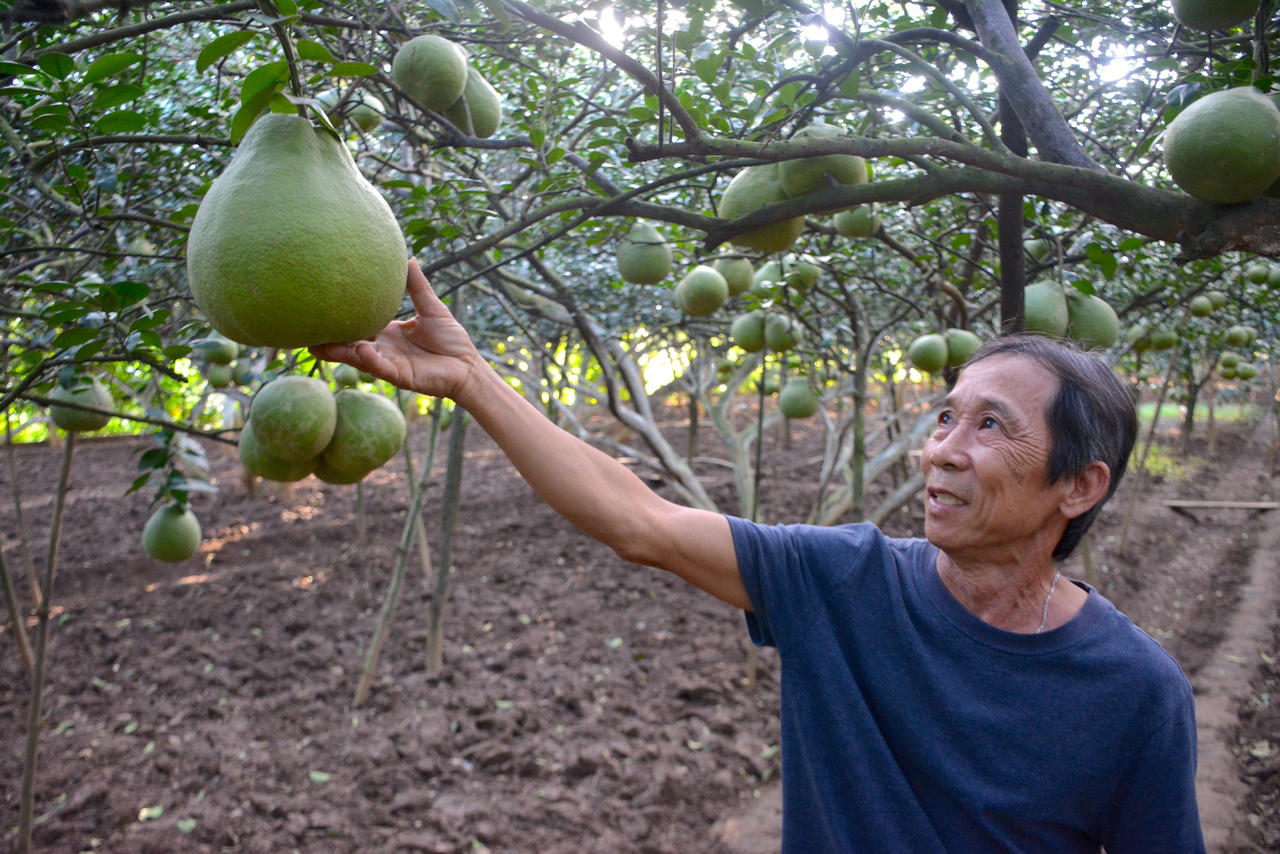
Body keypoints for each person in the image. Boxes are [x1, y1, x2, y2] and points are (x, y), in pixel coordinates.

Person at [311, 259, 1205, 853]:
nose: (939, 449)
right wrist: (473, 380)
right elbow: (639, 522)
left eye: (989, 427)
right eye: (944, 416)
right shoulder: (844, 581)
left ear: (1078, 487)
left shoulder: (1133, 693)